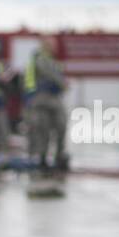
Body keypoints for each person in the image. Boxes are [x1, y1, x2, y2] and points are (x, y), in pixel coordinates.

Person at [23, 35, 68, 170]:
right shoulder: (40, 59)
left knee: (59, 127)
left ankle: (56, 156)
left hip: (51, 98)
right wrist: (63, 83)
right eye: (51, 44)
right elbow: (51, 75)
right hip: (42, 99)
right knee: (43, 130)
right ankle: (42, 159)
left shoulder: (49, 59)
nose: (54, 47)